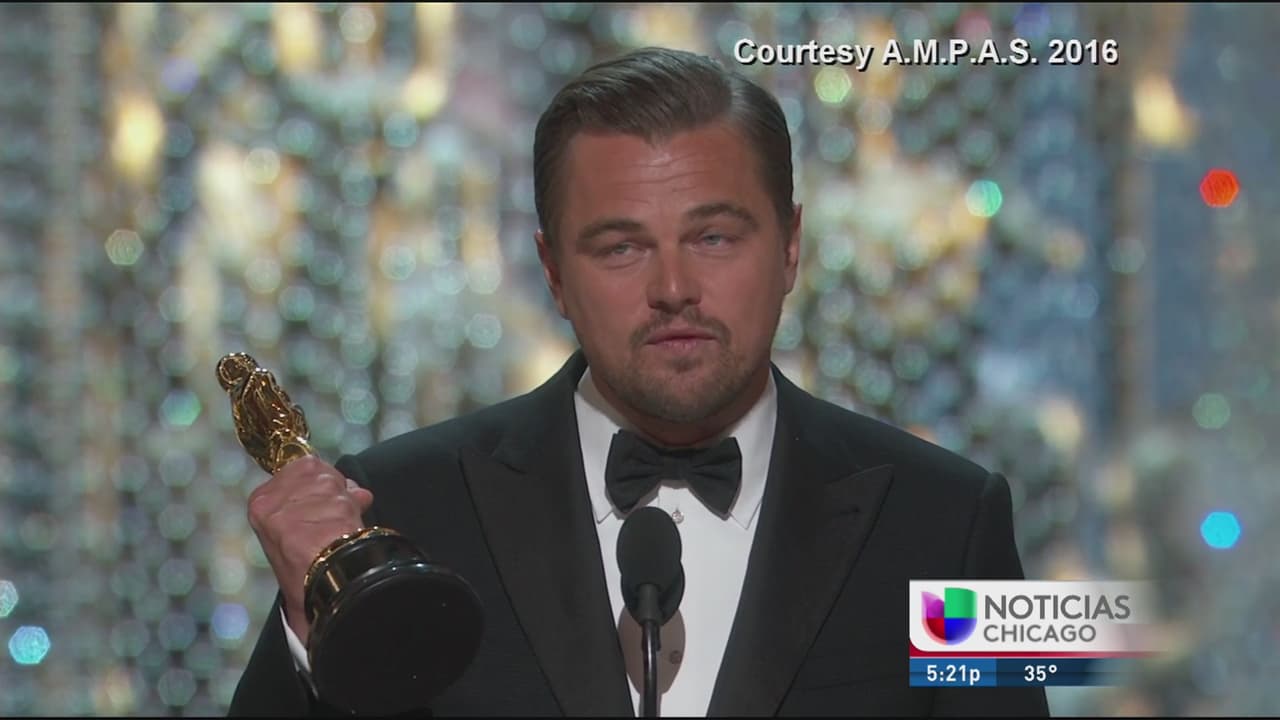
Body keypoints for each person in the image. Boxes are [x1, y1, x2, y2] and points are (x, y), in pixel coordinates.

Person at [228, 46, 1050, 717]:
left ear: (791, 246)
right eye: (621, 248)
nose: (674, 287)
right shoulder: (401, 509)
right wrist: (313, 628)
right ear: (553, 272)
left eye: (715, 238)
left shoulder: (951, 520)